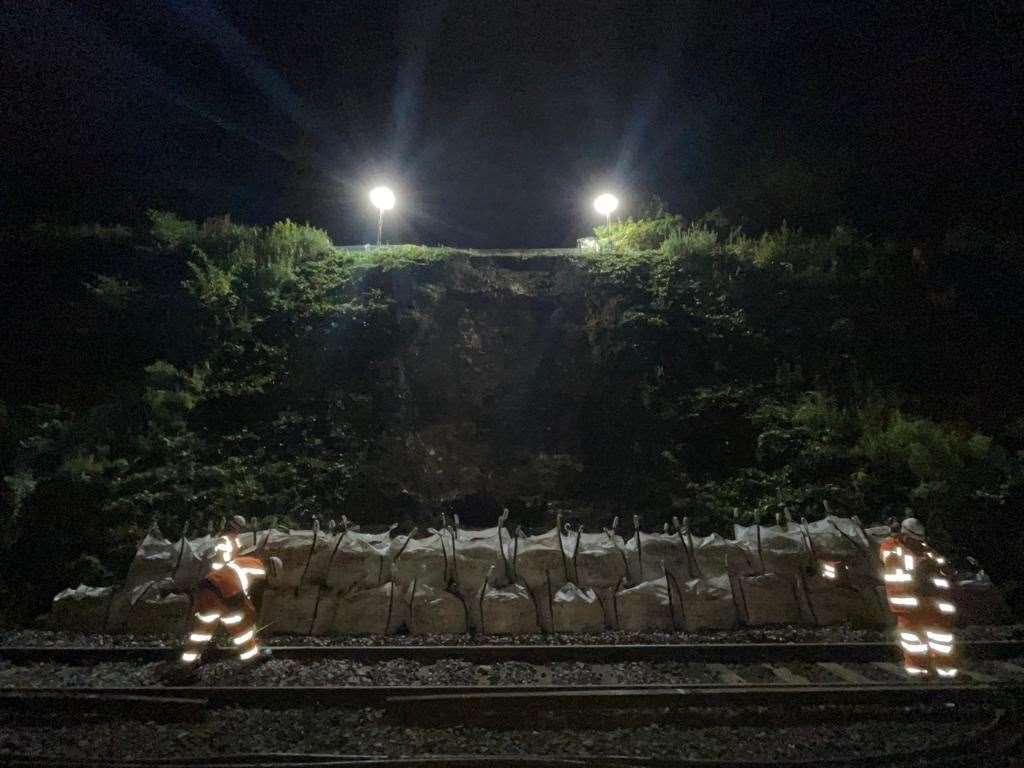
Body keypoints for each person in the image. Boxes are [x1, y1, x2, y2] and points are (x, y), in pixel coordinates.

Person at [172, 516, 281, 679]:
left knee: (201, 631)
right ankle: (251, 657)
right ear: (271, 568)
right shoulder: (259, 569)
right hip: (225, 591)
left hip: (206, 589)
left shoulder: (244, 560)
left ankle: (188, 663)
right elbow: (248, 596)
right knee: (243, 624)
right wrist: (252, 618)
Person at [879, 517, 958, 678]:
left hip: (931, 601)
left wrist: (943, 567)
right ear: (905, 535)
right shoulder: (891, 547)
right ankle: (918, 670)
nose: (918, 543)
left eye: (919, 540)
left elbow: (944, 567)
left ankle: (945, 669)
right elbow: (890, 559)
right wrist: (919, 565)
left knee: (940, 637)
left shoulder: (925, 549)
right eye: (914, 539)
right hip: (906, 603)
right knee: (912, 639)